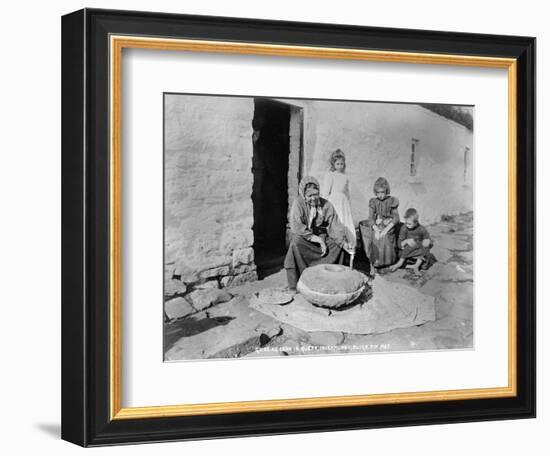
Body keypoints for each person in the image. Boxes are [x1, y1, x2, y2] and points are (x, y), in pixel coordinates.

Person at [284, 176, 351, 291]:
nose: (313, 198)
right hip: (306, 237)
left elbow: (335, 225)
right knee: (295, 242)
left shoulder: (326, 205)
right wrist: (318, 240)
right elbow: (297, 227)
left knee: (337, 246)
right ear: (304, 196)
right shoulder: (298, 204)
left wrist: (342, 242)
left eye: (316, 194)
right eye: (309, 196)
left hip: (321, 235)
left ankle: (331, 279)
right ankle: (301, 281)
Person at [358, 177, 400, 273]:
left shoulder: (392, 200)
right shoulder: (373, 201)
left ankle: (388, 262)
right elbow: (370, 217)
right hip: (378, 225)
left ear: (386, 191)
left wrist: (386, 230)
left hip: (389, 225)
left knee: (384, 237)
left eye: (382, 192)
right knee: (375, 237)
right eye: (378, 192)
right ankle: (376, 262)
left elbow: (396, 218)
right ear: (375, 192)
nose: (380, 195)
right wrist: (376, 229)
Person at [321, 149, 356, 254]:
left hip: (343, 203)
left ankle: (347, 246)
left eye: (342, 163)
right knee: (336, 222)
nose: (340, 166)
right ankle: (335, 246)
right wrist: (325, 207)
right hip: (334, 202)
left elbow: (347, 193)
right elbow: (326, 192)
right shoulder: (330, 175)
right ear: (333, 164)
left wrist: (348, 204)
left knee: (345, 221)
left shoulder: (345, 177)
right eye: (337, 164)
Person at [390, 208, 434, 274]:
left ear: (416, 222)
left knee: (425, 248)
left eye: (409, 224)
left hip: (418, 249)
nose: (407, 225)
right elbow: (399, 243)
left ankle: (416, 265)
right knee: (407, 246)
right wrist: (406, 241)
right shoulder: (404, 228)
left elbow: (429, 240)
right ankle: (400, 263)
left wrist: (427, 242)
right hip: (407, 249)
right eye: (406, 223)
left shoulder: (422, 229)